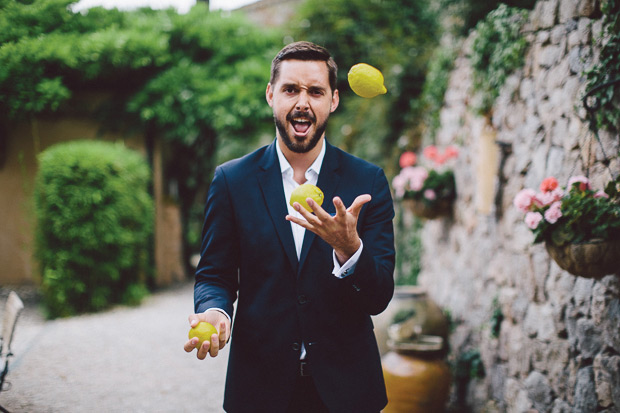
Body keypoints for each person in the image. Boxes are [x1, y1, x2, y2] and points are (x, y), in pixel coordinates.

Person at [184, 41, 395, 413]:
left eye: (315, 91)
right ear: (271, 95)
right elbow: (214, 274)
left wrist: (349, 249)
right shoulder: (232, 181)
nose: (302, 102)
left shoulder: (368, 182)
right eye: (290, 89)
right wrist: (216, 311)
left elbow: (378, 298)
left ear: (333, 100)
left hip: (347, 392)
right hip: (259, 389)